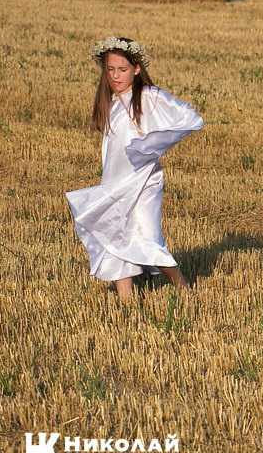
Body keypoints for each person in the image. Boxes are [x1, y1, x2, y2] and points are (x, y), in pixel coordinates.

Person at [66, 36, 203, 299]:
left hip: (144, 181)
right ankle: (126, 305)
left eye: (123, 70)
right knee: (115, 233)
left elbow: (190, 118)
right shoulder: (109, 102)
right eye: (110, 70)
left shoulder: (149, 97)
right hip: (115, 181)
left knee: (147, 237)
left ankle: (184, 289)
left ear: (137, 69)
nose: (115, 76)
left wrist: (150, 144)